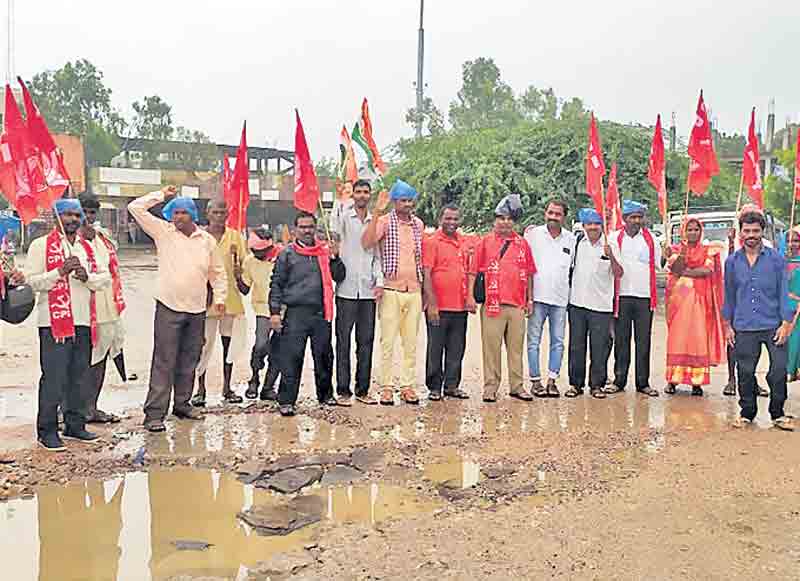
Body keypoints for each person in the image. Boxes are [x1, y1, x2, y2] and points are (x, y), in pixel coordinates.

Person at [128, 187, 226, 433]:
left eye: (183, 212)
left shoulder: (207, 240)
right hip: (168, 306)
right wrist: (161, 195)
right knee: (164, 360)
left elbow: (218, 273)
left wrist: (221, 298)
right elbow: (135, 208)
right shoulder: (164, 231)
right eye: (174, 212)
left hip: (197, 310)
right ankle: (154, 414)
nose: (178, 217)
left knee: (190, 359)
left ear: (192, 214)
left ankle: (182, 404)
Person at [25, 199, 110, 450]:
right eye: (67, 215)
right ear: (57, 218)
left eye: (76, 215)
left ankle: (75, 425)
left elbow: (105, 279)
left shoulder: (88, 247)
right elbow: (32, 283)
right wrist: (59, 272)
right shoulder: (41, 246)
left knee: (79, 376)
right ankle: (47, 431)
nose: (73, 219)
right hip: (53, 322)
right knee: (54, 377)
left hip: (83, 320)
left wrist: (87, 277)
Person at [723, 210, 794, 430]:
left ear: (762, 232)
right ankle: (747, 413)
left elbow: (784, 292)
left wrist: (785, 323)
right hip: (744, 325)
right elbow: (729, 294)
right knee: (744, 371)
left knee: (778, 371)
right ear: (741, 233)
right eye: (747, 231)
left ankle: (777, 413)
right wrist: (728, 325)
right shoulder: (732, 262)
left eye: (755, 231)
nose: (751, 235)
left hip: (773, 324)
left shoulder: (776, 260)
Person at [269, 212, 346, 416]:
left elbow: (339, 276)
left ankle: (325, 395)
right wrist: (274, 312)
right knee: (292, 358)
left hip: (321, 312)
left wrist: (335, 257)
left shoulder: (324, 252)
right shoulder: (287, 254)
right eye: (302, 227)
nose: (307, 230)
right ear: (295, 230)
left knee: (324, 355)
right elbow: (276, 284)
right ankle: (286, 400)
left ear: (315, 228)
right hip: (295, 313)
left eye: (310, 226)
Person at [361, 180, 425, 406]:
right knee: (387, 341)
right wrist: (377, 212)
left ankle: (408, 386)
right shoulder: (385, 222)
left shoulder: (418, 224)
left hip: (414, 290)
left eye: (410, 200)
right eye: (403, 201)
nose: (407, 204)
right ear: (395, 202)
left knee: (410, 342)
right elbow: (367, 243)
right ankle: (386, 387)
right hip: (390, 289)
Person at [467, 194, 536, 402]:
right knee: (491, 350)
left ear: (514, 221)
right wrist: (470, 296)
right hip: (492, 305)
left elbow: (530, 272)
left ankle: (517, 386)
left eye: (509, 218)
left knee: (516, 349)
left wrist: (530, 299)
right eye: (501, 218)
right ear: (494, 220)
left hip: (516, 304)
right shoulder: (485, 243)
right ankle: (490, 387)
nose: (505, 222)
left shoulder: (522, 244)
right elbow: (473, 271)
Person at [330, 179, 383, 406]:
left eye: (365, 192)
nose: (362, 195)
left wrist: (379, 281)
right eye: (358, 192)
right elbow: (333, 228)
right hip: (346, 290)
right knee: (343, 342)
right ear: (353, 196)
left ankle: (363, 390)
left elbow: (377, 255)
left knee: (366, 341)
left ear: (370, 195)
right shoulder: (343, 217)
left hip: (368, 292)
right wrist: (338, 198)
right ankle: (343, 391)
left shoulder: (376, 221)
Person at [192, 198, 248, 406]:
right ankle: (200, 389)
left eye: (223, 213)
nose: (219, 216)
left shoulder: (235, 237)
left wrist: (240, 273)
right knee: (203, 346)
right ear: (207, 214)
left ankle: (227, 388)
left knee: (229, 345)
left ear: (228, 215)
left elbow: (245, 264)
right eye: (215, 212)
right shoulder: (199, 237)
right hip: (205, 300)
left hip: (231, 300)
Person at [77, 193, 126, 423]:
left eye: (91, 212)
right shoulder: (66, 241)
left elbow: (111, 273)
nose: (87, 216)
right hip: (81, 311)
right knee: (78, 362)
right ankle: (70, 411)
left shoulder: (103, 239)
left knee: (101, 359)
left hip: (107, 307)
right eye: (82, 211)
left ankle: (91, 408)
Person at [663, 218, 725, 396]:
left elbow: (707, 271)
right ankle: (672, 381)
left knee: (698, 340)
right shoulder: (675, 250)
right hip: (678, 303)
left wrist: (685, 272)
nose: (692, 233)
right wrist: (682, 257)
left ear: (701, 232)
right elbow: (676, 267)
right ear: (683, 232)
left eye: (696, 230)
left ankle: (696, 383)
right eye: (689, 229)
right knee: (677, 339)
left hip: (699, 302)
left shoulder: (707, 251)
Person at [566, 208, 624, 399]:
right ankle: (575, 384)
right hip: (577, 303)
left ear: (602, 226)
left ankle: (596, 385)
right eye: (589, 224)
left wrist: (611, 256)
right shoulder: (576, 244)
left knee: (599, 347)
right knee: (576, 345)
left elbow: (619, 273)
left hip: (600, 305)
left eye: (596, 224)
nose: (593, 227)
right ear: (583, 226)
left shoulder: (610, 244)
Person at [422, 204, 475, 401]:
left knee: (456, 348)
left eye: (455, 219)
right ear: (440, 219)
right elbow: (427, 274)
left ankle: (452, 385)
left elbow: (470, 271)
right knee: (435, 348)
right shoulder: (432, 241)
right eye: (448, 218)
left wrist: (469, 297)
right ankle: (434, 387)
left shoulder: (464, 242)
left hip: (459, 306)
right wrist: (432, 304)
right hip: (438, 307)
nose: (452, 222)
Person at [609, 200, 661, 397]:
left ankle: (643, 383)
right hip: (622, 296)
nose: (636, 221)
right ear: (624, 219)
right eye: (633, 217)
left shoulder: (651, 240)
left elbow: (658, 266)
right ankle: (619, 380)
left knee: (643, 341)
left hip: (644, 297)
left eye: (639, 217)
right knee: (621, 341)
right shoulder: (614, 238)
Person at [524, 200, 575, 398]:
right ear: (545, 213)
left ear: (564, 217)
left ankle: (552, 381)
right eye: (550, 212)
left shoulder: (571, 239)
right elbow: (526, 268)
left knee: (558, 341)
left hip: (560, 299)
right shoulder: (533, 235)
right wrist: (528, 298)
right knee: (533, 341)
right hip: (536, 298)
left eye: (558, 214)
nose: (553, 217)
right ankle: (535, 382)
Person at [722, 205, 770, 398]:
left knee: (753, 346)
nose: (751, 232)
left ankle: (752, 382)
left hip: (758, 304)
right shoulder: (730, 240)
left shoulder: (766, 244)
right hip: (736, 298)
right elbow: (726, 267)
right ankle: (731, 379)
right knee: (733, 341)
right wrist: (732, 244)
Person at [239, 227, 283, 400]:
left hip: (282, 309)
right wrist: (237, 275)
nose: (258, 255)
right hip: (262, 309)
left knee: (279, 350)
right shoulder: (250, 261)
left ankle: (268, 387)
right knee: (261, 345)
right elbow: (245, 290)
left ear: (269, 247)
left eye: (261, 252)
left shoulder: (282, 256)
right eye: (254, 251)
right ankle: (254, 378)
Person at [786, 229, 800, 381]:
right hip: (786, 305)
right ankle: (790, 370)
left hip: (799, 304)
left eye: (796, 241)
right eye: (789, 240)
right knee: (789, 339)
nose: (792, 244)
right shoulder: (779, 260)